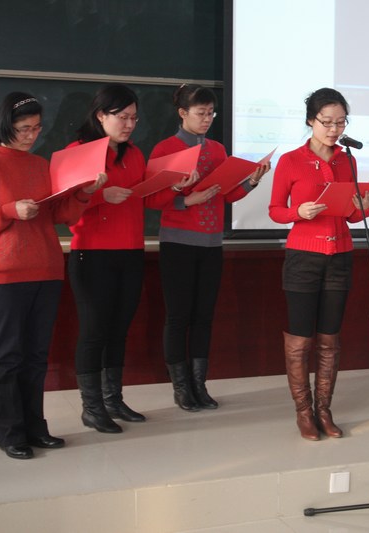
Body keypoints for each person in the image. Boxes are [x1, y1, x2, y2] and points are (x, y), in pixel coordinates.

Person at [0, 92, 105, 459]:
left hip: (47, 269)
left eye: (37, 128)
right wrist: (10, 210)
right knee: (7, 357)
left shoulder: (42, 165)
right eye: (24, 128)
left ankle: (35, 427)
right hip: (6, 274)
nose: (31, 135)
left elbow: (59, 214)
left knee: (37, 356)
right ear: (5, 125)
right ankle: (10, 433)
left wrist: (85, 193)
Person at [146, 84, 270, 411]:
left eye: (211, 113)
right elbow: (151, 199)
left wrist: (252, 180)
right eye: (201, 113)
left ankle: (199, 384)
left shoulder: (217, 149)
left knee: (204, 316)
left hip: (212, 243)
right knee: (178, 316)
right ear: (182, 113)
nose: (207, 119)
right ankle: (181, 387)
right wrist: (186, 199)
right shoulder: (165, 148)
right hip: (178, 243)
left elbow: (226, 194)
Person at [268, 87, 369, 440]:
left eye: (340, 122)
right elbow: (275, 210)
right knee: (301, 340)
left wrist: (364, 205)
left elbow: (354, 216)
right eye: (327, 122)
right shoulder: (291, 161)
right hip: (303, 257)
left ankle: (324, 410)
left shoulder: (348, 160)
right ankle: (303, 411)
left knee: (330, 340)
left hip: (340, 255)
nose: (334, 129)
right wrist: (297, 212)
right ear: (310, 121)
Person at [68, 84, 147, 433]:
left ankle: (113, 399)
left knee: (119, 330)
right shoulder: (77, 152)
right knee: (94, 331)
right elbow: (64, 207)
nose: (129, 124)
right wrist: (101, 196)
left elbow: (144, 195)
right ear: (101, 115)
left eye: (134, 118)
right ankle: (92, 406)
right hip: (92, 253)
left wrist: (172, 186)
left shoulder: (136, 154)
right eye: (122, 117)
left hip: (131, 251)